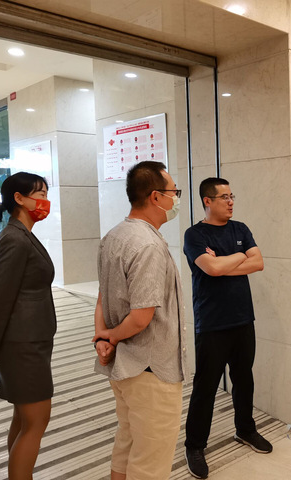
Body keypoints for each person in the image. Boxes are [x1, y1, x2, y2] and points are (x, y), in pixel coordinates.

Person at [93, 161, 187, 480]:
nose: (176, 198)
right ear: (156, 197)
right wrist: (112, 337)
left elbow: (103, 297)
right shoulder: (148, 245)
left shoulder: (114, 235)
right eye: (174, 192)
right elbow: (141, 316)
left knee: (128, 442)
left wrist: (104, 336)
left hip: (125, 366)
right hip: (151, 368)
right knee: (151, 460)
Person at [183, 177, 269, 479]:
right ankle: (195, 445)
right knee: (205, 386)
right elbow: (211, 268)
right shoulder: (194, 234)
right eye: (224, 197)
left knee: (244, 379)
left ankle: (245, 429)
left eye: (232, 196)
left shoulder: (240, 228)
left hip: (243, 319)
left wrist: (225, 262)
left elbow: (258, 263)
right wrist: (239, 257)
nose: (231, 202)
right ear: (207, 201)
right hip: (212, 322)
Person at [0, 172, 56, 479]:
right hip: (23, 344)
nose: (45, 201)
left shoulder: (23, 234)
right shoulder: (14, 238)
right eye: (40, 195)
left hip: (31, 340)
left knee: (24, 420)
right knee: (36, 422)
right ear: (19, 198)